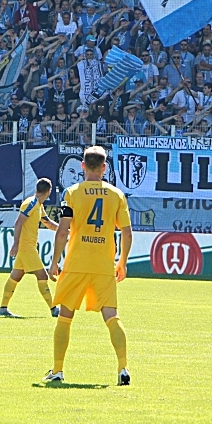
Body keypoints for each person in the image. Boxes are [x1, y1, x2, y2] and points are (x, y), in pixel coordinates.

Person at [45, 146, 133, 386]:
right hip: (103, 264)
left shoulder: (72, 192)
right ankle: (123, 368)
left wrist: (54, 262)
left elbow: (63, 231)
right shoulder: (116, 195)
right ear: (104, 168)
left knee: (65, 316)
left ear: (83, 166)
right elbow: (126, 232)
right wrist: (122, 261)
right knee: (111, 316)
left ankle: (58, 370)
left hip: (76, 263)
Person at [0, 177, 59, 318]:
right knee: (42, 275)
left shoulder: (38, 205)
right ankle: (54, 309)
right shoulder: (31, 203)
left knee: (16, 276)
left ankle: (3, 308)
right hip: (27, 247)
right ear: (49, 191)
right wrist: (16, 243)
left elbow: (48, 223)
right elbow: (18, 222)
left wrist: (66, 231)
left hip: (28, 247)